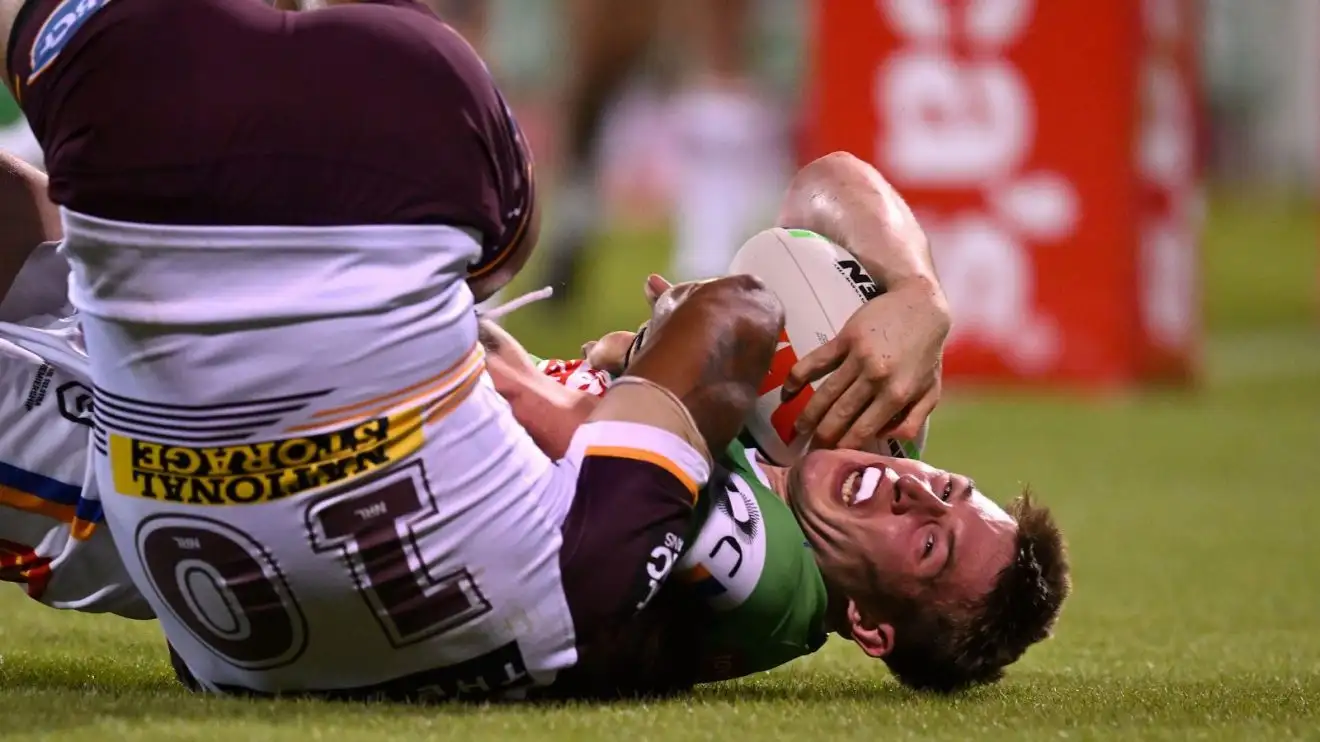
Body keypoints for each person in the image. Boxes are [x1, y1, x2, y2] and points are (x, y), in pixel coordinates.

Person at [0, 0, 784, 701]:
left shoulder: (578, 579)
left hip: (382, 128)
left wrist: (625, 368)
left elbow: (734, 313)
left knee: (491, 248)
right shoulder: (227, 657)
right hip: (191, 252)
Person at [481, 299, 1071, 697]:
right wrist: (921, 295)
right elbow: (827, 186)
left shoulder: (767, 573)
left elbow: (543, 414)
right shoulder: (858, 437)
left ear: (868, 624)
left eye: (928, 544)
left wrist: (666, 350)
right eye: (945, 487)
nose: (911, 490)